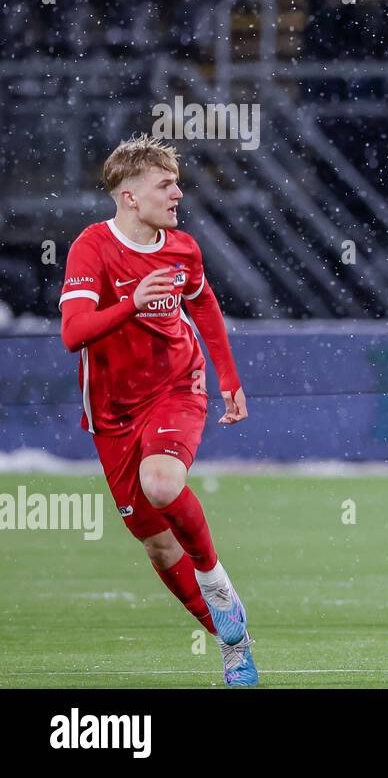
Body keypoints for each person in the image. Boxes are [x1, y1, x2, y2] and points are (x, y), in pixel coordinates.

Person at [58, 134, 256, 686]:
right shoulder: (90, 249)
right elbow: (73, 334)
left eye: (176, 182)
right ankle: (233, 644)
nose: (177, 193)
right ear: (129, 196)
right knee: (157, 541)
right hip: (112, 412)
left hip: (176, 385)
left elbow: (205, 304)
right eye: (165, 184)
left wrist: (229, 376)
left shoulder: (182, 247)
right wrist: (130, 304)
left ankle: (217, 582)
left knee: (163, 483)